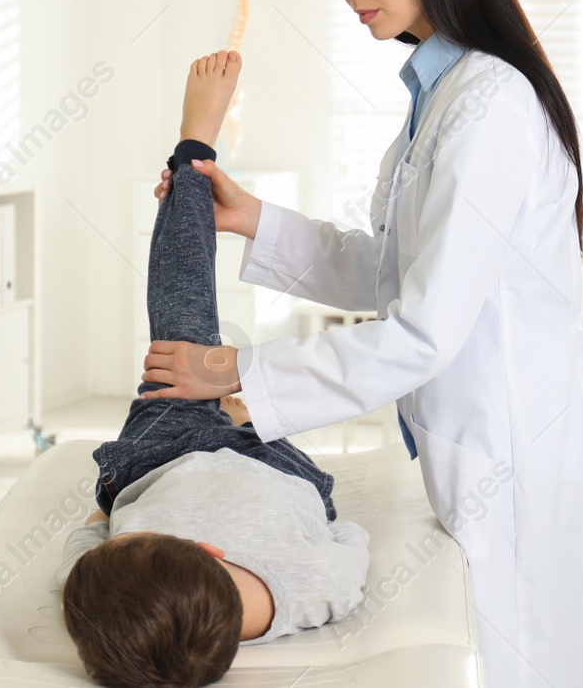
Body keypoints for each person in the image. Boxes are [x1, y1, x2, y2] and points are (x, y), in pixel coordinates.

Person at [143, 0, 583, 687]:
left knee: (530, 655)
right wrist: (253, 219)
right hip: (482, 431)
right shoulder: (439, 95)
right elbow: (397, 268)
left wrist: (234, 368)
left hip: (516, 440)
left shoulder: (489, 103)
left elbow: (423, 327)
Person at [59, 52, 370, 688]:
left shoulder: (110, 604)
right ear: (211, 552)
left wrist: (104, 511)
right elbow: (352, 540)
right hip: (277, 472)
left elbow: (81, 557)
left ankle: (193, 157)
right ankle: (193, 164)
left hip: (159, 461)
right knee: (206, 353)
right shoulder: (309, 591)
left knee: (180, 327)